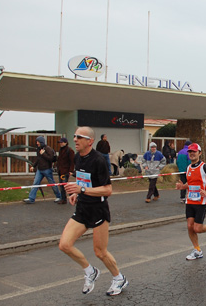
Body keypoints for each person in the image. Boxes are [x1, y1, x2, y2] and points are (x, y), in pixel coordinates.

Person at [58, 127, 128, 296]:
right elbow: (82, 181)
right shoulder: (77, 157)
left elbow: (108, 190)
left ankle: (119, 278)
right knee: (64, 245)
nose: (75, 139)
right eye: (74, 136)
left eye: (79, 137)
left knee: (100, 252)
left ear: (90, 141)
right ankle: (90, 271)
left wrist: (81, 190)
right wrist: (75, 193)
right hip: (82, 208)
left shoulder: (99, 160)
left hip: (98, 210)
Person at [176, 143, 206, 260]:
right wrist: (182, 187)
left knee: (197, 228)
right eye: (190, 152)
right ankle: (197, 250)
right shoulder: (188, 167)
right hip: (190, 200)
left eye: (194, 152)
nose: (191, 153)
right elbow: (190, 184)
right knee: (190, 226)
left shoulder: (204, 167)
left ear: (200, 153)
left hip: (201, 201)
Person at [23, 136, 61, 204]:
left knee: (52, 183)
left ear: (41, 142)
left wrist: (43, 154)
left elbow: (51, 159)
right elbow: (38, 159)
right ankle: (31, 199)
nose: (37, 143)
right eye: (36, 142)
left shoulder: (48, 149)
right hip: (40, 170)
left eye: (38, 142)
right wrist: (33, 166)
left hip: (47, 169)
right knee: (35, 183)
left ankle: (59, 196)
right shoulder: (38, 149)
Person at [56, 137, 75, 204]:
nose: (60, 144)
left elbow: (72, 161)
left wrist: (71, 171)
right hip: (60, 170)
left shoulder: (69, 150)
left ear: (65, 143)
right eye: (60, 143)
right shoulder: (61, 150)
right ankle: (63, 199)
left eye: (62, 142)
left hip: (65, 171)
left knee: (65, 185)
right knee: (62, 186)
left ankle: (72, 196)